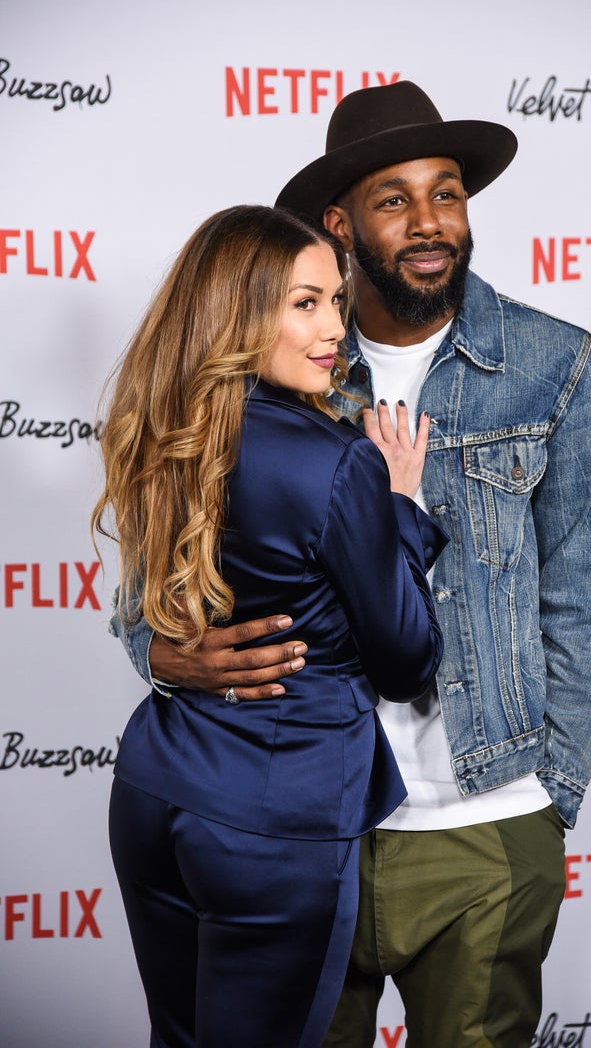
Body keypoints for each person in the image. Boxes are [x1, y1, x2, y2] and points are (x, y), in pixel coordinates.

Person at [115, 83, 591, 1046]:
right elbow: (153, 573)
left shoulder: (556, 365)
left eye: (448, 193)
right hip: (309, 826)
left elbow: (590, 592)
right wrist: (162, 652)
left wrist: (549, 790)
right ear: (340, 223)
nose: (431, 220)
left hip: (487, 824)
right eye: (395, 199)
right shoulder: (279, 360)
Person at [93, 203, 446, 1048]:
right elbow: (406, 656)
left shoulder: (163, 431)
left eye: (336, 298)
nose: (334, 329)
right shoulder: (340, 461)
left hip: (155, 795)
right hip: (275, 822)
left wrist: (167, 658)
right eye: (306, 303)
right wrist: (401, 505)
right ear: (239, 313)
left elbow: (142, 608)